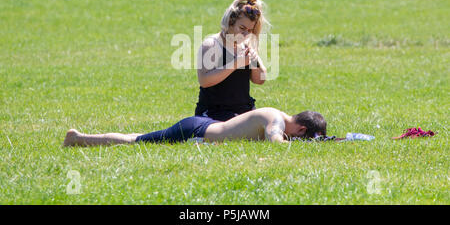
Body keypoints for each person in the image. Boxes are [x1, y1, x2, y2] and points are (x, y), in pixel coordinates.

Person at [63, 107, 327, 146]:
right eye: (302, 140)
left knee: (138, 137)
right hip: (196, 131)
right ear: (301, 130)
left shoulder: (279, 115)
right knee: (136, 141)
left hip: (206, 124)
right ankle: (78, 138)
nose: (297, 142)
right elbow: (275, 141)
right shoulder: (277, 121)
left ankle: (80, 137)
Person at [195, 0, 270, 121]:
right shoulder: (212, 44)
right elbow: (204, 81)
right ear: (230, 21)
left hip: (243, 110)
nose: (246, 34)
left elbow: (260, 80)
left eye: (250, 30)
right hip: (214, 112)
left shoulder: (245, 45)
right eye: (242, 28)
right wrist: (235, 64)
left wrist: (254, 61)